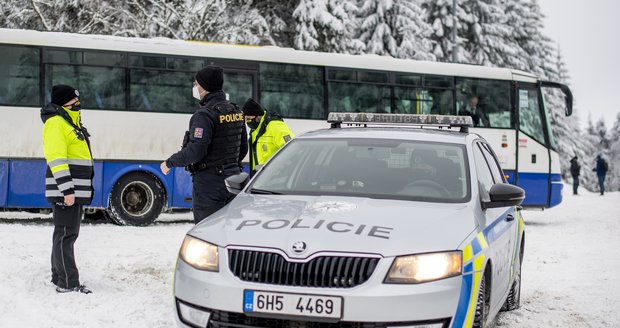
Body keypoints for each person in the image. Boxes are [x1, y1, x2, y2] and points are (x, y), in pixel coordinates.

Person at [160, 65, 247, 224]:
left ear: (205, 87)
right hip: (234, 181)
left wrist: (169, 162)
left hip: (210, 185)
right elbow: (243, 149)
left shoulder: (204, 115)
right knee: (229, 232)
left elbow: (195, 151)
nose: (194, 87)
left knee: (207, 234)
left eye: (196, 84)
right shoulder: (236, 111)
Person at [41, 85, 94, 294]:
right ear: (64, 101)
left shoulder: (68, 121)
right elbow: (56, 159)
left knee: (63, 234)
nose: (77, 103)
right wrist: (67, 190)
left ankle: (58, 276)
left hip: (72, 190)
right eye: (74, 100)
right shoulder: (56, 123)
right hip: (67, 191)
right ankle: (68, 283)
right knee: (66, 236)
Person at [241, 98, 294, 175]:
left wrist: (279, 170)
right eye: (245, 120)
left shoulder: (275, 125)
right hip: (260, 176)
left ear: (258, 116)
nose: (247, 122)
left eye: (248, 119)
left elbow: (291, 149)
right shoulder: (256, 129)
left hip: (275, 176)